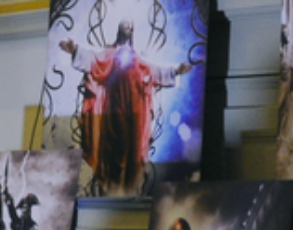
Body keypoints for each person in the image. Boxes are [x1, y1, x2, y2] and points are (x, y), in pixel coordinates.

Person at [59, 21, 194, 196]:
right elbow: (92, 60)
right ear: (119, 31)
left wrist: (176, 70)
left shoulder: (137, 59)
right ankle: (113, 187)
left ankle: (126, 188)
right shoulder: (109, 54)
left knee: (132, 149)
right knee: (116, 147)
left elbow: (154, 70)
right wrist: (74, 50)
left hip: (135, 112)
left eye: (130, 26)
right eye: (125, 26)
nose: (128, 28)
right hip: (114, 110)